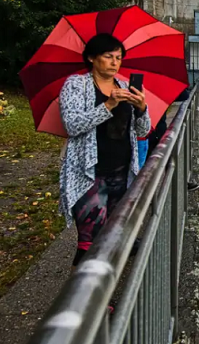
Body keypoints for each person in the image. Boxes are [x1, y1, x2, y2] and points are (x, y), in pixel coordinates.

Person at [58, 33, 151, 270]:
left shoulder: (124, 86)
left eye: (118, 57)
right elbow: (72, 125)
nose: (114, 62)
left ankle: (103, 287)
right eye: (108, 56)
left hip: (121, 172)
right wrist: (108, 105)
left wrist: (141, 108)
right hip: (89, 174)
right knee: (90, 241)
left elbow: (141, 130)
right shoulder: (75, 85)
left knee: (112, 235)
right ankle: (86, 300)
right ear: (91, 58)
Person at [146, 88, 199, 191]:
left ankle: (180, 184)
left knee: (170, 160)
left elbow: (184, 95)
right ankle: (147, 199)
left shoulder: (160, 89)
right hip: (144, 136)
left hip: (159, 132)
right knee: (146, 168)